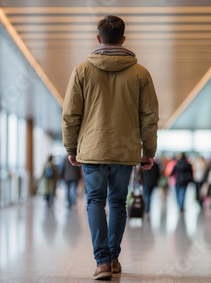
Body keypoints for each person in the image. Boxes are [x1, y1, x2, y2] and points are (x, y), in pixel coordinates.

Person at [62, 15, 159, 280]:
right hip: (125, 152)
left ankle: (102, 263)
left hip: (92, 150)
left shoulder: (82, 70)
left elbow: (71, 115)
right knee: (117, 202)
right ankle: (113, 258)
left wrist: (71, 147)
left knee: (95, 201)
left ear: (98, 38)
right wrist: (148, 151)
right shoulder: (141, 73)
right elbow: (150, 117)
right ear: (123, 39)